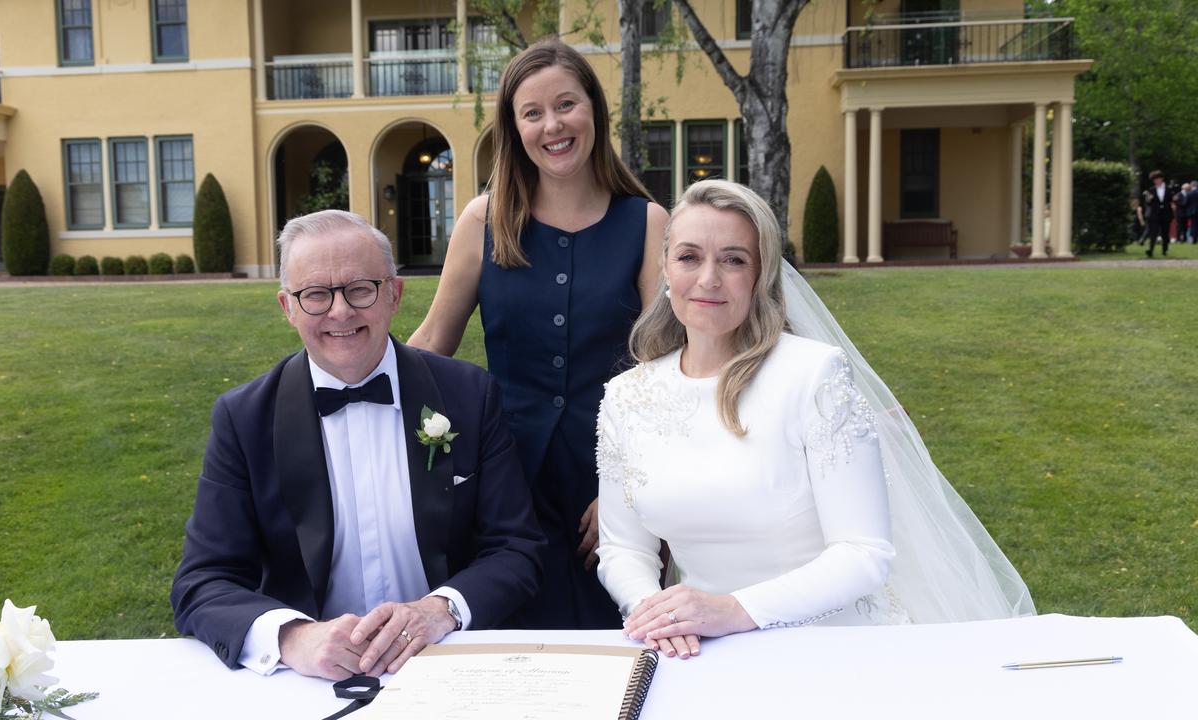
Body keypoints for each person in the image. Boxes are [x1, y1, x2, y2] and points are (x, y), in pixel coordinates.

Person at [596, 180, 1035, 660]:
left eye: (734, 259)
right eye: (689, 257)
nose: (709, 279)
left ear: (761, 274)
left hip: (831, 646)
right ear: (663, 267)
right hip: (699, 651)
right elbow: (624, 550)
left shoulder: (813, 376)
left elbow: (863, 553)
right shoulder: (627, 397)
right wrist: (655, 612)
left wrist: (732, 610)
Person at [171, 210, 545, 680]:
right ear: (288, 308)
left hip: (448, 665)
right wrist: (293, 638)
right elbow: (202, 582)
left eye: (360, 289)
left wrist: (441, 610)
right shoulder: (245, 418)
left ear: (394, 294)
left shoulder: (470, 395)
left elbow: (517, 548)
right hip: (310, 683)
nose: (340, 311)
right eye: (315, 295)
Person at [407, 40, 668, 629]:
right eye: (532, 113)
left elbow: (668, 373)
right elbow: (433, 341)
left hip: (606, 480)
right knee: (510, 642)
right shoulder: (485, 219)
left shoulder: (647, 223)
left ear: (594, 111)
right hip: (504, 479)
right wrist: (345, 379)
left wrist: (631, 495)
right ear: (514, 127)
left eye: (566, 104)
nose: (552, 125)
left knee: (618, 640)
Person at [1142, 170, 1172, 258]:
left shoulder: (1168, 188)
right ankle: (1150, 250)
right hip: (1154, 214)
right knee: (1153, 233)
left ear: (1162, 179)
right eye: (1155, 179)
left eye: (1158, 179)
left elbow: (1171, 199)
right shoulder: (1151, 190)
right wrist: (1149, 199)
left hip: (1165, 213)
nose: (1156, 181)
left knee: (1165, 233)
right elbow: (1148, 203)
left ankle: (1164, 250)